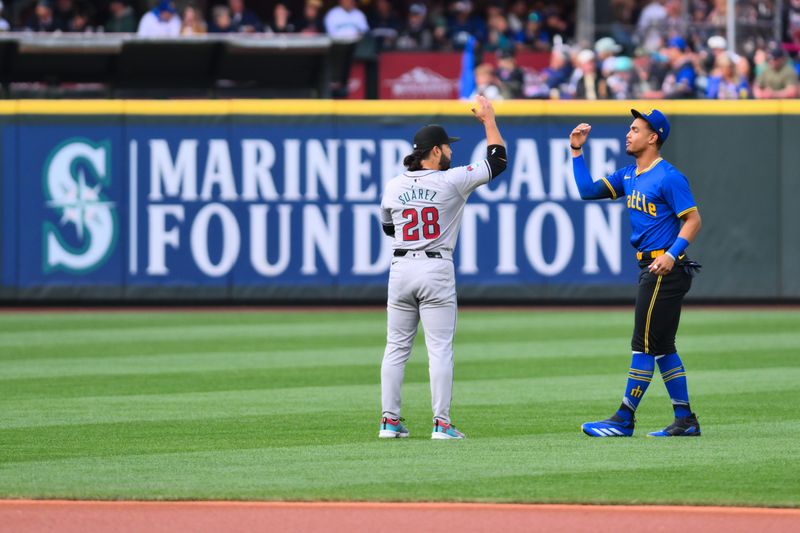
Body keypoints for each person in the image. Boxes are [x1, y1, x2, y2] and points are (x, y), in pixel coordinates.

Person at [378, 96, 508, 440]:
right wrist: (489, 119)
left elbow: (388, 228)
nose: (450, 152)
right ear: (435, 152)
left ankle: (389, 422)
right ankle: (442, 424)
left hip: (400, 267)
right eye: (446, 148)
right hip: (435, 268)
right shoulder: (452, 180)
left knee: (395, 348)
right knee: (439, 350)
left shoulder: (393, 185)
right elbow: (498, 161)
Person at [569, 109, 703, 438]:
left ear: (653, 137)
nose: (628, 134)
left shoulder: (668, 176)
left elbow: (694, 220)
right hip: (651, 265)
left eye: (635, 129)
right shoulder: (630, 174)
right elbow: (586, 190)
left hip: (664, 267)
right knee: (662, 348)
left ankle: (624, 418)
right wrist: (576, 151)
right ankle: (685, 419)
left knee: (642, 346)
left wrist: (672, 254)